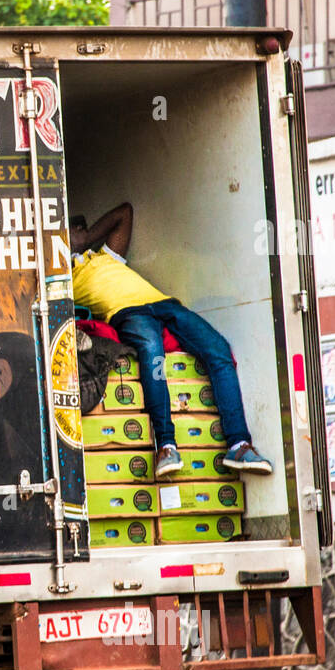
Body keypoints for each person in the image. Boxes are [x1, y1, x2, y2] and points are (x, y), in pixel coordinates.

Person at [70, 202, 273, 478]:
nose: (80, 231)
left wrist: (87, 237)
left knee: (219, 349)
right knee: (153, 355)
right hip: (127, 314)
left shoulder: (106, 256)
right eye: (74, 228)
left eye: (83, 227)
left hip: (164, 304)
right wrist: (64, 243)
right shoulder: (65, 278)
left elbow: (124, 212)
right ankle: (166, 446)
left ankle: (239, 444)